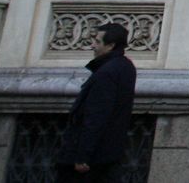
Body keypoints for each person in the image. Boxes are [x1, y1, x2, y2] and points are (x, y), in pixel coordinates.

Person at [55, 22, 136, 182]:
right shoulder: (125, 67)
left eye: (97, 41)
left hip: (92, 159)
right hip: (108, 154)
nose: (92, 45)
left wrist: (83, 156)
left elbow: (96, 116)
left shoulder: (107, 73)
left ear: (111, 45)